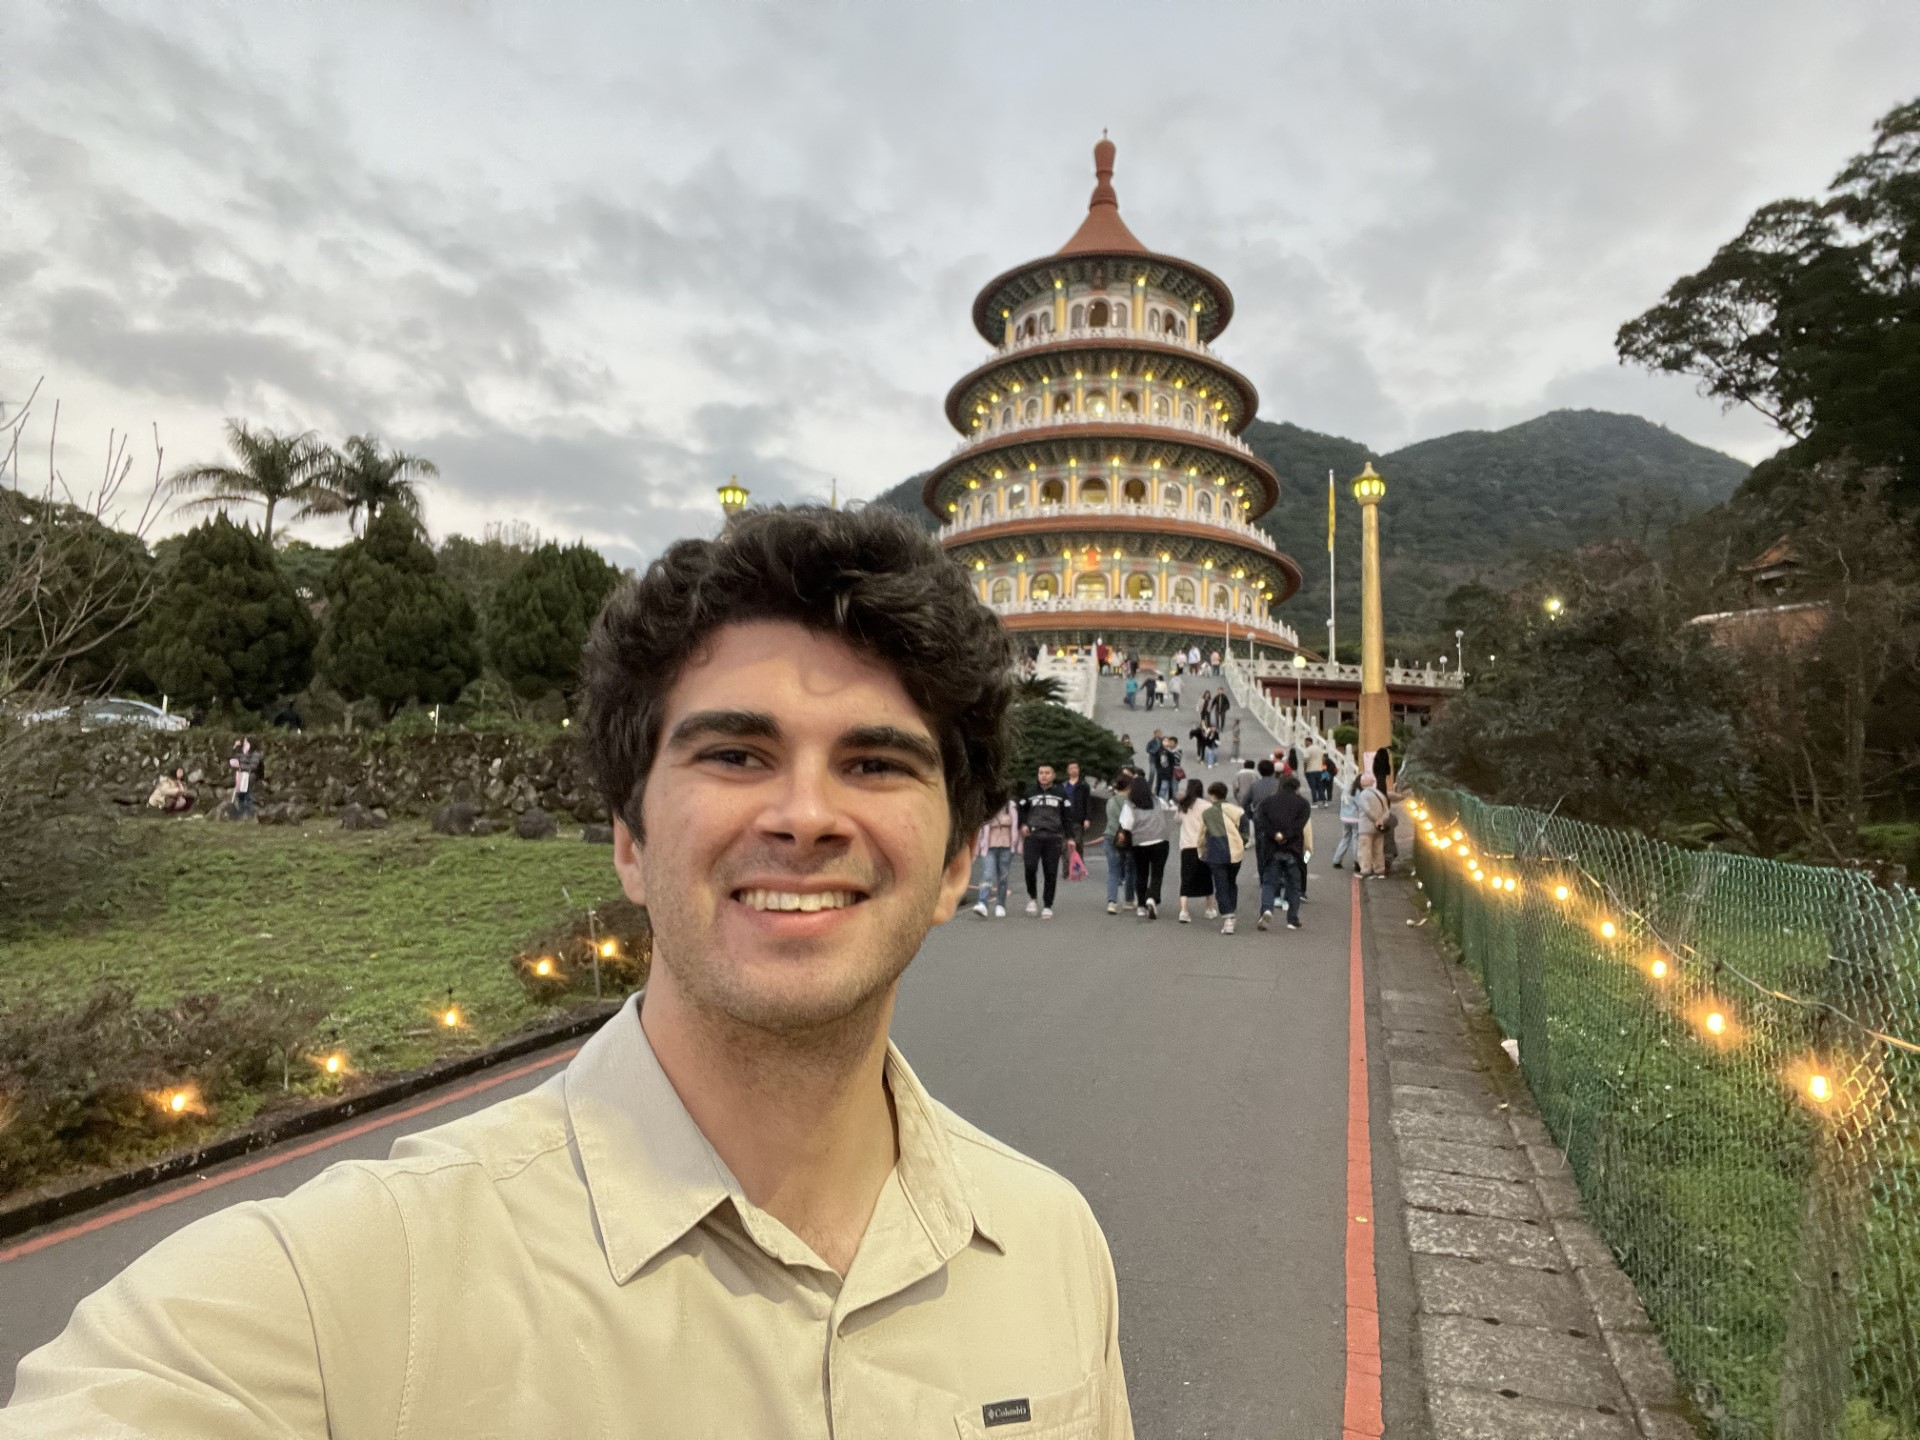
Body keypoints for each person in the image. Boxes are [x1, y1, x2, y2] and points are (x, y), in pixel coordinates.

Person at [5, 505, 1134, 1437]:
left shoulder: (1051, 1244)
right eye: (735, 754)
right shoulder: (347, 1293)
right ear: (629, 840)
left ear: (956, 862)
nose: (804, 815)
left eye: (876, 763)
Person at [1254, 773, 1311, 931]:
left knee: (1269, 882)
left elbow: (1261, 821)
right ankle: (1292, 919)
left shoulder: (1267, 802)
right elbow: (1299, 825)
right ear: (1297, 787)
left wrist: (1275, 835)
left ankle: (1267, 909)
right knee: (1294, 885)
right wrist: (1286, 836)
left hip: (1272, 848)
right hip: (1293, 848)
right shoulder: (1303, 804)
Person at [1018, 763, 1073, 917]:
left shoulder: (1061, 793)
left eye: (1047, 773)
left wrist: (1070, 837)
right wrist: (1023, 824)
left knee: (1050, 871)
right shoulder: (1029, 792)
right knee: (1030, 868)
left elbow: (1067, 816)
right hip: (1033, 837)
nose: (1043, 775)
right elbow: (1021, 810)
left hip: (1053, 837)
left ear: (1053, 775)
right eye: (1041, 772)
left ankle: (1048, 905)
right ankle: (1032, 898)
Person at [1120, 773, 1171, 919]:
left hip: (1140, 842)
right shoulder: (1157, 801)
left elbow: (1126, 825)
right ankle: (1152, 898)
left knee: (1141, 873)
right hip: (1160, 840)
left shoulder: (1129, 805)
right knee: (1157, 873)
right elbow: (1166, 809)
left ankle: (1141, 905)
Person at [1200, 781, 1249, 935]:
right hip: (1235, 852)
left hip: (1215, 852)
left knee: (1220, 885)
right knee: (1231, 882)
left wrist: (1201, 850)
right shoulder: (1237, 810)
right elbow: (1245, 829)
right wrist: (1242, 841)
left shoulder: (1207, 813)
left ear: (1211, 795)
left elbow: (1202, 834)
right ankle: (1231, 910)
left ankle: (1228, 917)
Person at [1174, 778, 1214, 924]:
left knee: (1186, 878)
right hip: (1204, 846)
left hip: (1187, 845)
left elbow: (1177, 820)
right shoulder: (1207, 806)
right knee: (1207, 877)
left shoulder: (1183, 805)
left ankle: (1184, 911)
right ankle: (1209, 909)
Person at [973, 797, 1018, 918]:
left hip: (1006, 846)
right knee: (987, 874)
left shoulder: (1010, 805)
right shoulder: (987, 805)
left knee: (1003, 877)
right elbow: (980, 829)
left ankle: (1000, 904)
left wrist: (1016, 844)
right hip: (989, 847)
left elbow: (1015, 826)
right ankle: (982, 903)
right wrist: (976, 848)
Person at [1102, 767, 1137, 915]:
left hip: (1110, 836)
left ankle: (1112, 902)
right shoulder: (1131, 803)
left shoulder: (1110, 801)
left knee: (1113, 870)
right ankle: (1129, 900)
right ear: (1129, 787)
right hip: (1128, 838)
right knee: (1130, 869)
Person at [1355, 770, 1391, 878]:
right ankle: (1379, 870)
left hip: (1366, 827)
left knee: (1364, 849)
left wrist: (1376, 820)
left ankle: (1365, 870)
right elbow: (1387, 810)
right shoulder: (1379, 794)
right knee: (1378, 850)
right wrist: (1381, 820)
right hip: (1379, 828)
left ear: (1362, 783)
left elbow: (1367, 810)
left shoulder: (1363, 795)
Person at [1331, 778, 1362, 869]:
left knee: (1345, 838)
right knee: (1355, 839)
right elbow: (1360, 805)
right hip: (1355, 818)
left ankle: (1337, 860)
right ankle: (1357, 862)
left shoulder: (1346, 789)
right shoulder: (1357, 792)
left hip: (1344, 817)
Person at [227, 736, 262, 818]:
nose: (244, 743)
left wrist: (241, 767)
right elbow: (233, 758)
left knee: (247, 794)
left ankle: (249, 813)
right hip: (241, 775)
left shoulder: (256, 754)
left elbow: (253, 766)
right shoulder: (242, 753)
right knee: (240, 795)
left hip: (249, 776)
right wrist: (235, 747)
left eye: (246, 742)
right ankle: (240, 813)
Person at [1064, 760, 1092, 856]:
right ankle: (1067, 866)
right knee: (1065, 847)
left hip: (1078, 820)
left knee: (1078, 844)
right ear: (1068, 771)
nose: (1073, 770)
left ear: (1079, 769)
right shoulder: (1064, 786)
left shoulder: (1084, 785)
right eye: (1071, 768)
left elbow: (1088, 802)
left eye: (1075, 768)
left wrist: (1087, 818)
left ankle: (1078, 865)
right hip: (1065, 820)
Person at [1151, 736, 1180, 802]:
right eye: (1164, 741)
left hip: (1169, 772)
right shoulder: (1159, 751)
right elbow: (1157, 762)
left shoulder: (1170, 752)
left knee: (1169, 786)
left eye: (1167, 741)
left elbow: (1173, 762)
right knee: (1162, 787)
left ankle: (1169, 799)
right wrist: (1159, 770)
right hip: (1162, 772)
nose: (1166, 742)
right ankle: (1161, 799)